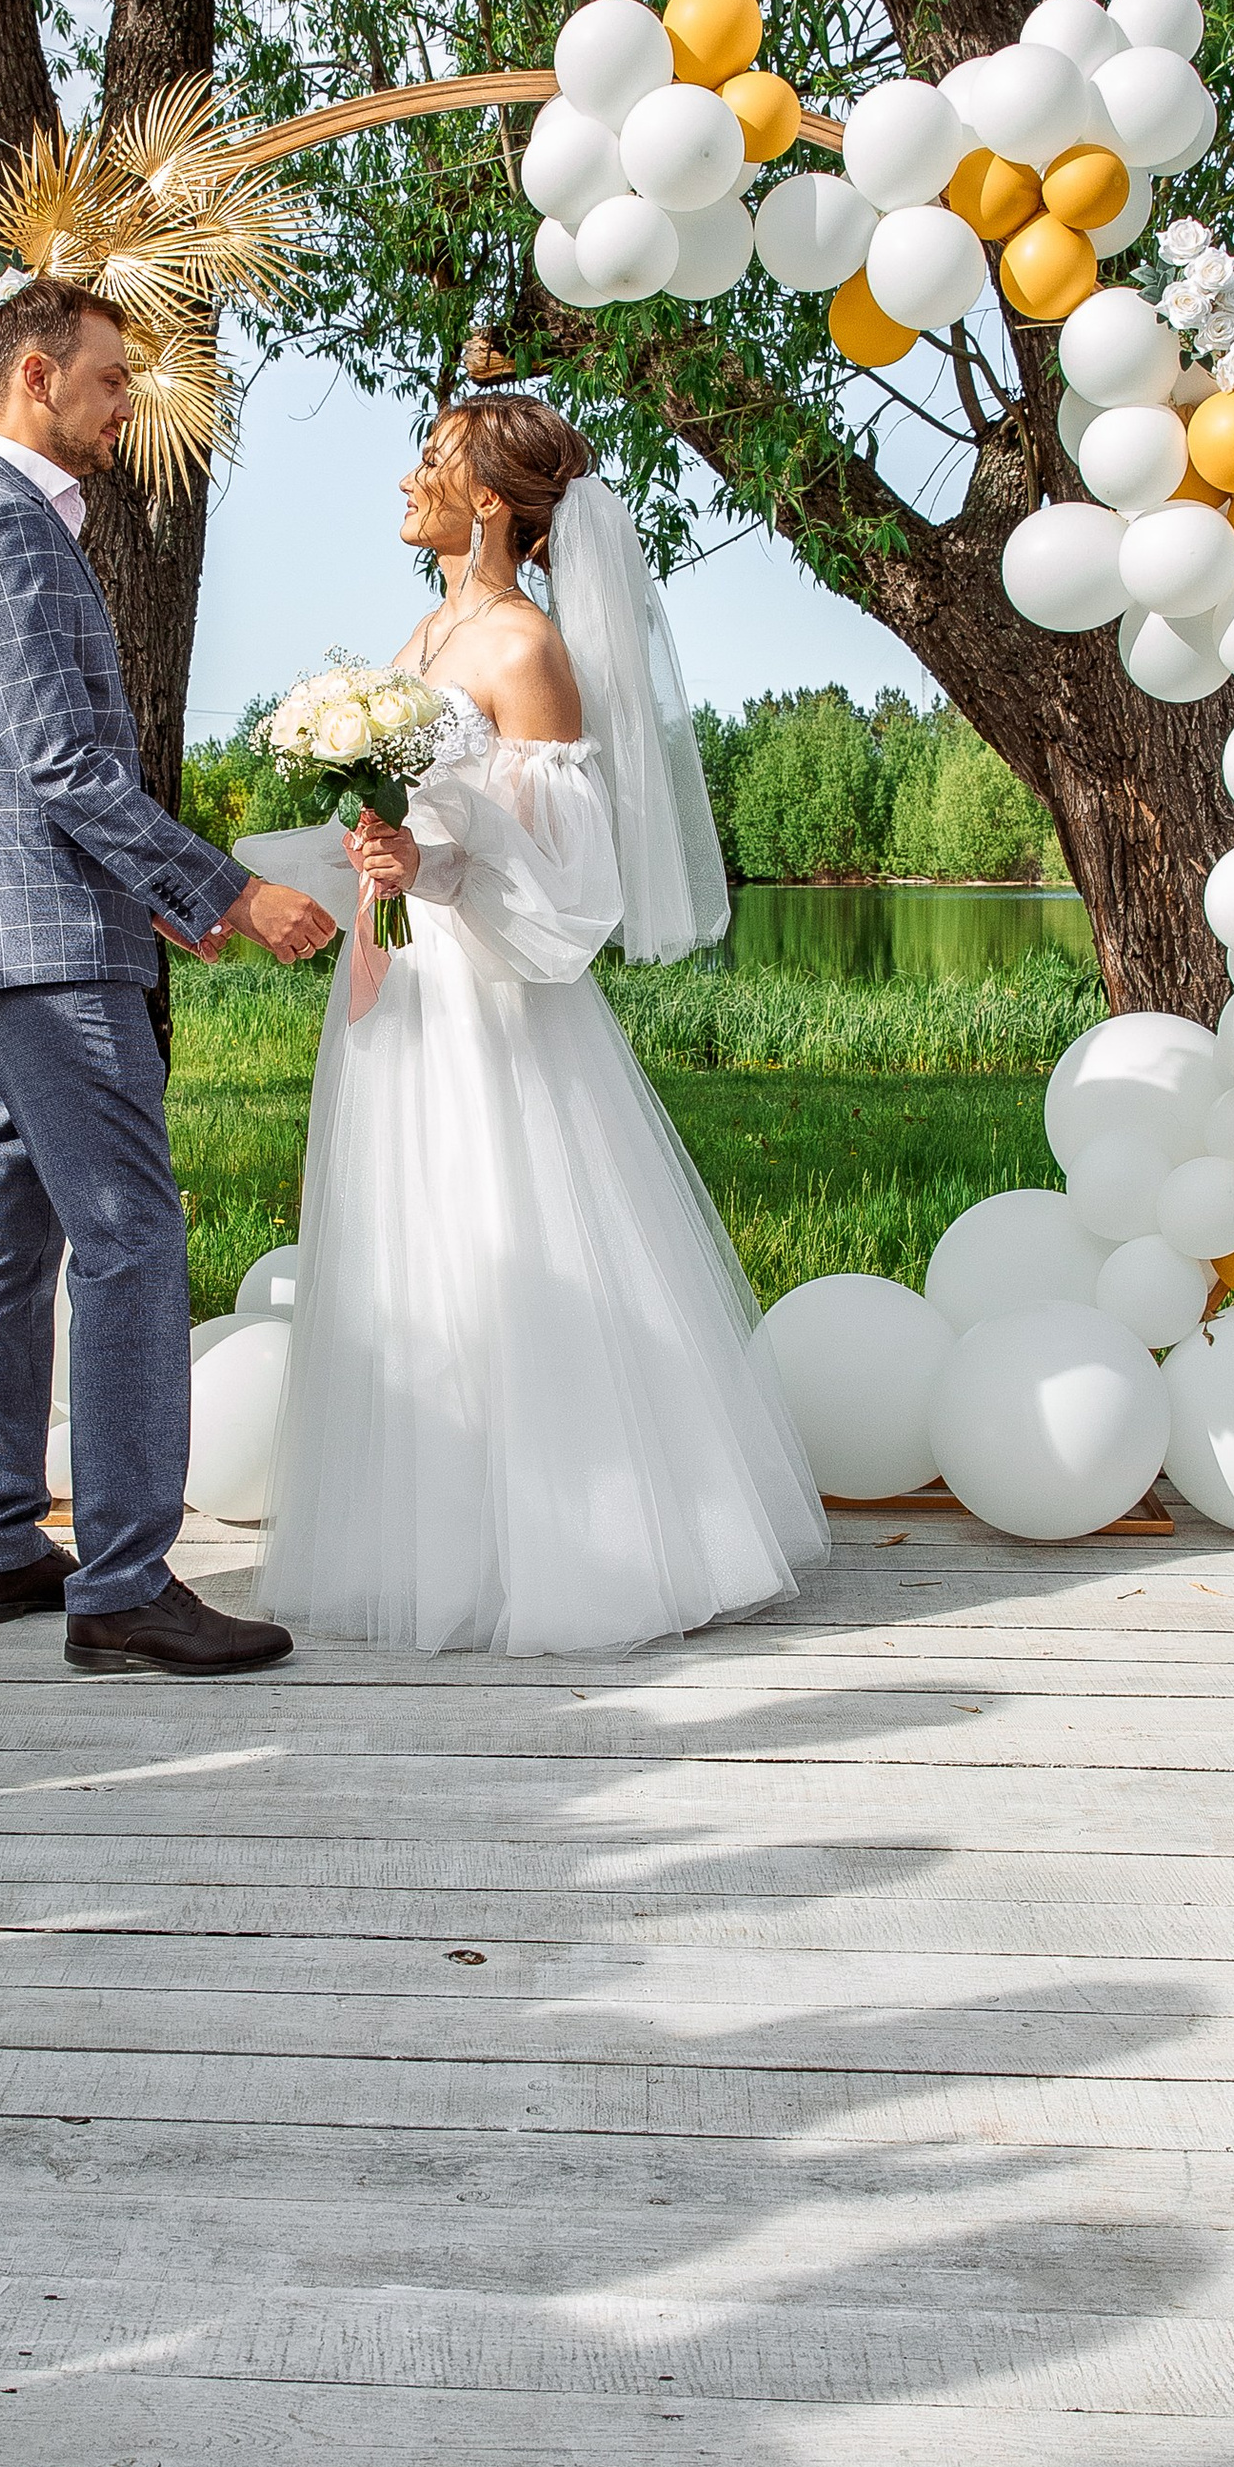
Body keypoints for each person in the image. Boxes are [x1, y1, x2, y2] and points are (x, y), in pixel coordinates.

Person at [244, 392, 829, 1654]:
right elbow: (439, 817)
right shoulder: (423, 629)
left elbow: (569, 884)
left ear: (492, 504)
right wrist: (370, 849)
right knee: (416, 1253)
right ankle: (426, 1545)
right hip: (401, 997)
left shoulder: (524, 650)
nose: (410, 478)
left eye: (435, 463)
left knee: (509, 1235)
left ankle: (586, 1551)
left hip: (490, 1003)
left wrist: (435, 867)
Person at [0, 276, 337, 1677]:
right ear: (32, 375)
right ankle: (129, 1584)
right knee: (132, 1237)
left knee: (11, 1238)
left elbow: (22, 778)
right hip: (45, 945)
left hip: (10, 929)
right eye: (106, 381)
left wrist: (158, 907)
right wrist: (223, 889)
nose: (124, 404)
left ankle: (0, 1542)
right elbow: (65, 768)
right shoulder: (8, 526)